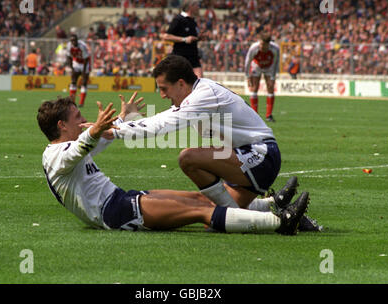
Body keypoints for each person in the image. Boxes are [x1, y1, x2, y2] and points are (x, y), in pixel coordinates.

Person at [37, 93, 309, 235]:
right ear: (62, 126)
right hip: (114, 213)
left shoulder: (73, 146)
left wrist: (121, 119)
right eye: (77, 117)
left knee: (200, 198)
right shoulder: (54, 155)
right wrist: (94, 130)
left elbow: (99, 140)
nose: (82, 119)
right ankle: (280, 222)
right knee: (200, 212)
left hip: (121, 199)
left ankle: (270, 204)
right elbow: (80, 148)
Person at [109, 55, 320, 232]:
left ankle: (254, 217)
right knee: (212, 209)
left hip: (259, 155)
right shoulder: (198, 93)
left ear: (181, 83)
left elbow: (163, 125)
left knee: (189, 159)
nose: (162, 95)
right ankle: (281, 209)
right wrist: (122, 122)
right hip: (248, 154)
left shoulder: (202, 96)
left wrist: (114, 131)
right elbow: (162, 117)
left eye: (164, 88)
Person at [160, 0, 203, 78]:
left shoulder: (193, 20)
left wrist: (198, 38)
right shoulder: (178, 19)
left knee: (199, 83)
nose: (199, 7)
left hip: (193, 57)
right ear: (191, 6)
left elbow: (191, 38)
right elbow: (166, 36)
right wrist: (184, 39)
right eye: (197, 5)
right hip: (181, 57)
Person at [245, 33, 280, 122]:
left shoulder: (275, 49)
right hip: (257, 65)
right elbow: (248, 62)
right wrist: (247, 76)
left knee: (270, 88)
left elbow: (276, 62)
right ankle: (254, 116)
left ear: (268, 44)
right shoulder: (254, 48)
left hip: (269, 67)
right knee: (254, 88)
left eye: (263, 45)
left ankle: (269, 115)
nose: (261, 46)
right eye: (260, 43)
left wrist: (273, 76)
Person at [66, 34, 90, 107]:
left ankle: (81, 102)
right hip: (76, 62)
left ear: (77, 40)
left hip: (84, 63)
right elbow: (68, 57)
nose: (73, 42)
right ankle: (72, 101)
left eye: (74, 40)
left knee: (84, 82)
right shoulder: (69, 46)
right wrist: (72, 68)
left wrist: (84, 70)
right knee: (73, 81)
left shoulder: (82, 46)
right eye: (72, 40)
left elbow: (86, 58)